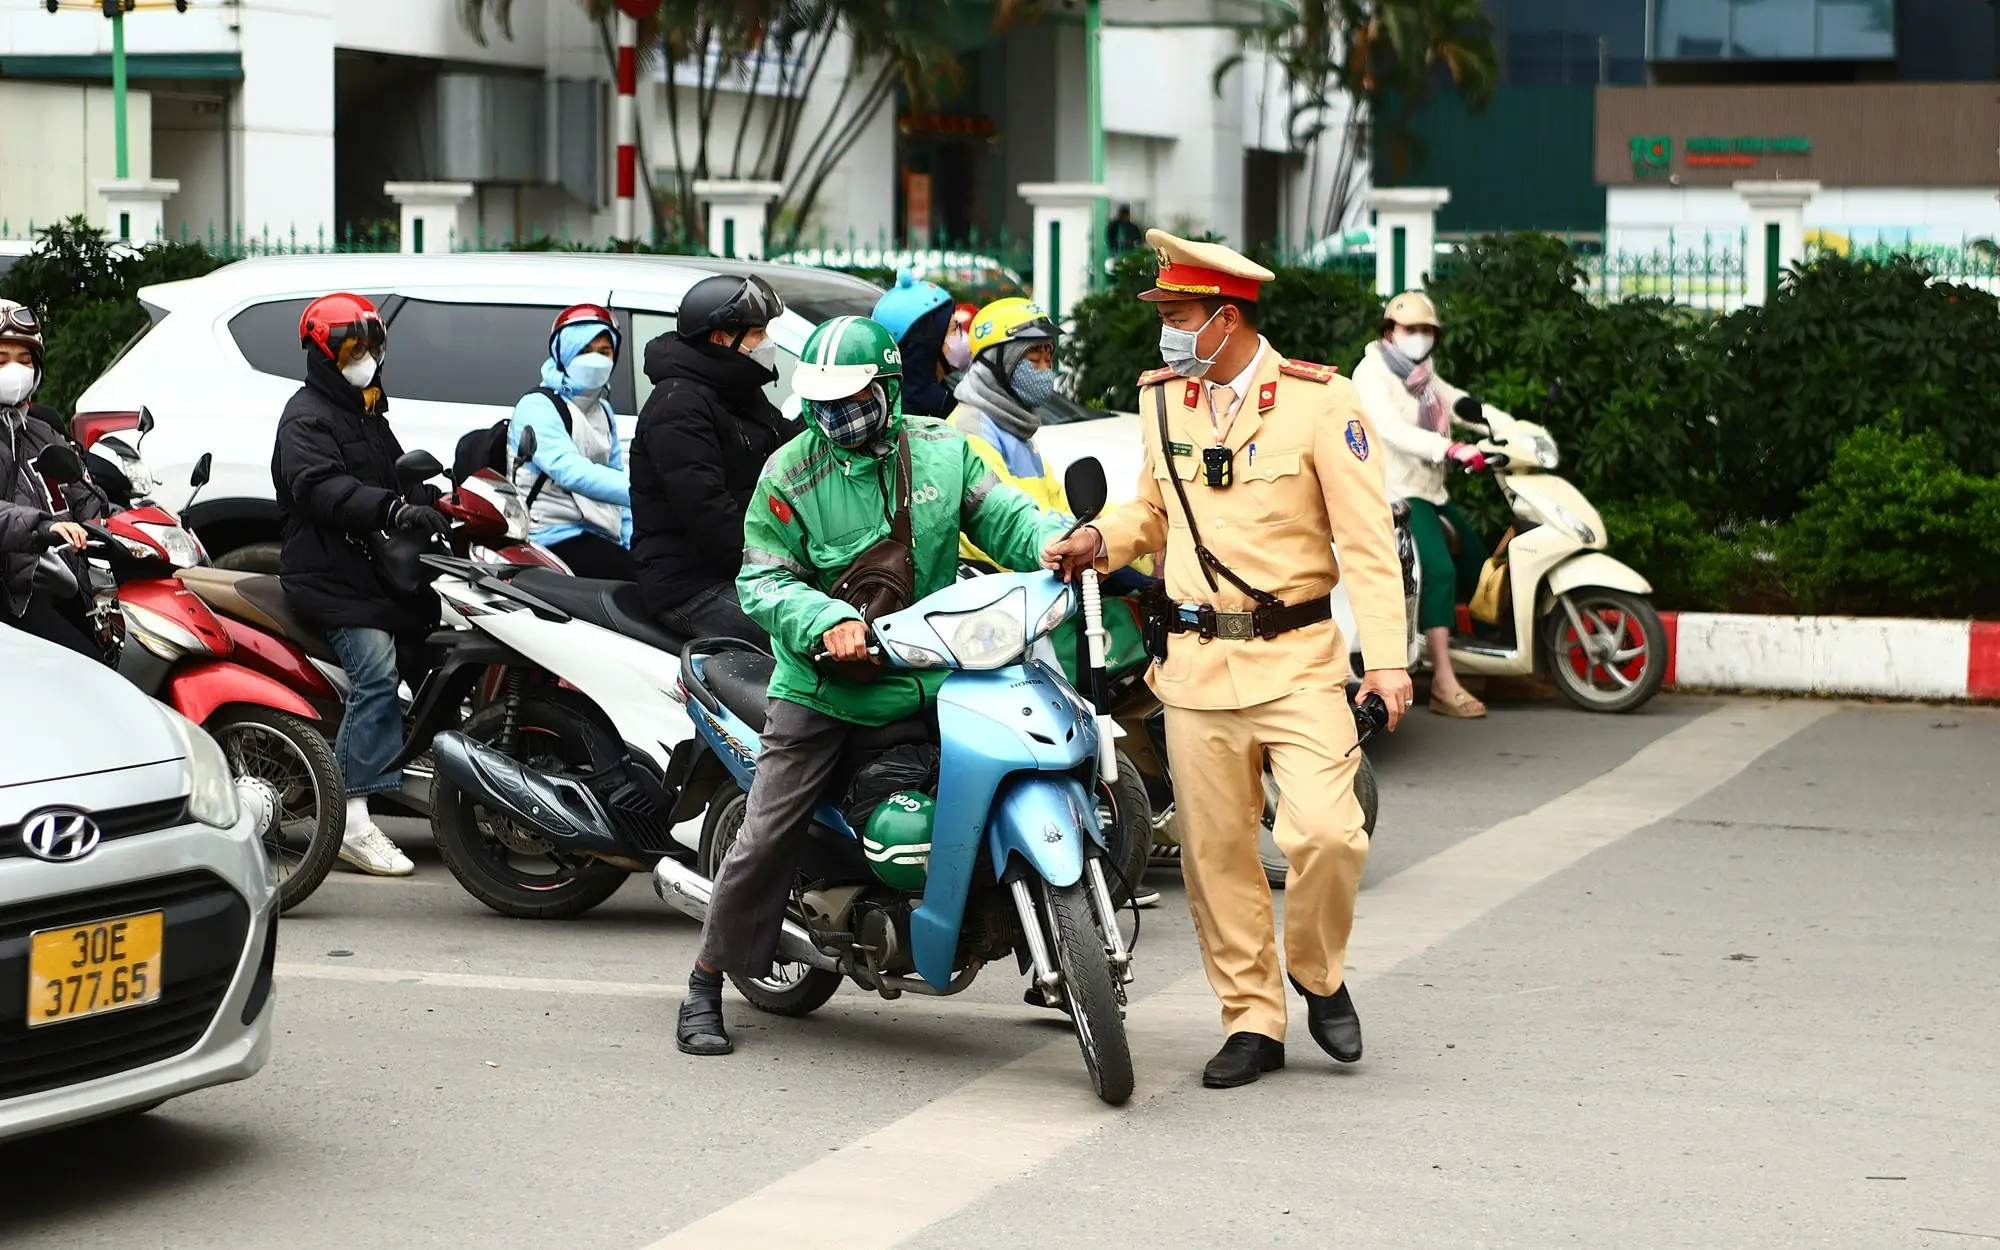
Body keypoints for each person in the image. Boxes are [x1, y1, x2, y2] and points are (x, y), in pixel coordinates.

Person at [1042, 231, 1413, 1090]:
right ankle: (1252, 1020)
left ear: (1225, 317)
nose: (1166, 335)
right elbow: (1153, 512)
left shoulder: (1324, 402)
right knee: (1216, 858)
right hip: (1198, 666)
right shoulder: (1165, 401)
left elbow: (1367, 546)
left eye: (1177, 317)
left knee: (1327, 832)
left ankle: (1317, 974)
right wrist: (1101, 539)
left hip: (1298, 660)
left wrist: (1387, 664)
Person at [675, 315, 1068, 1057]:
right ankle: (704, 980)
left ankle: (1040, 946)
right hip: (823, 690)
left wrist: (1054, 541)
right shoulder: (790, 473)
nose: (836, 417)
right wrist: (825, 618)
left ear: (887, 389)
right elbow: (760, 580)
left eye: (851, 399)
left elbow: (1005, 516)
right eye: (822, 403)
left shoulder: (943, 451)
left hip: (937, 675)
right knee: (765, 836)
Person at [271, 293, 445, 878]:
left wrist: (440, 502)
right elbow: (321, 488)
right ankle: (351, 816)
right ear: (323, 354)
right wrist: (392, 511)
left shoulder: (368, 413)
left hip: (370, 570)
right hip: (326, 574)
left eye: (372, 347)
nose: (365, 358)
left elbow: (397, 478)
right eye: (352, 348)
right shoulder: (306, 418)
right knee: (376, 673)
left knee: (435, 642)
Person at [630, 274, 797, 645]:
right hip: (691, 584)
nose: (766, 343)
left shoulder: (736, 390)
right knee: (802, 637)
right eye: (756, 333)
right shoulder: (678, 407)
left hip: (744, 569)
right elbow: (710, 514)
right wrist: (779, 566)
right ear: (721, 339)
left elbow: (788, 447)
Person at [1350, 291, 1493, 719]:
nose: (1419, 337)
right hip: (1397, 492)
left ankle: (1493, 668)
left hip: (1433, 489)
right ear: (1389, 331)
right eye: (1410, 329)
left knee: (1479, 565)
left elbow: (1455, 402)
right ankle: (1444, 684)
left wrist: (1500, 426)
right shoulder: (1371, 373)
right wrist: (1449, 449)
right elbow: (1391, 430)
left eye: (1426, 330)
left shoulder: (1422, 374)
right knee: (1438, 570)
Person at [0, 299, 104, 658]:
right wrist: (41, 526)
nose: (15, 370)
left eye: (25, 360)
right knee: (87, 665)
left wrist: (117, 516)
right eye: (1, 360)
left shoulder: (43, 432)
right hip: (12, 593)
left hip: (60, 578)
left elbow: (81, 492)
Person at [510, 304, 634, 579]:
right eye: (584, 350)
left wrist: (632, 542)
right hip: (549, 535)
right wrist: (646, 491)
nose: (596, 360)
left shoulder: (603, 411)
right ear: (563, 353)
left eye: (605, 352)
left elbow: (616, 480)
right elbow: (571, 471)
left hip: (595, 532)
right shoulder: (538, 406)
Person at [869, 270, 956, 418]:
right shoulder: (903, 417)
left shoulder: (949, 394)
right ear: (928, 345)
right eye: (954, 328)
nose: (964, 337)